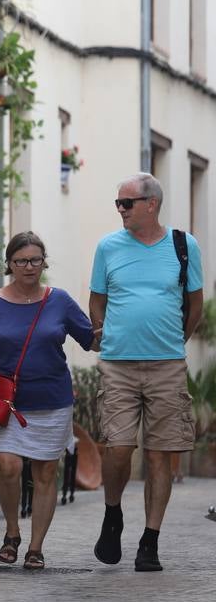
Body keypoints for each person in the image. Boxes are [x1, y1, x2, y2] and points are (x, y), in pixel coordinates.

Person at [0, 231, 98, 570]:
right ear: (9, 265)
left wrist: (117, 327)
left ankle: (35, 547)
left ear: (43, 262)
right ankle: (11, 531)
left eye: (35, 260)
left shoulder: (59, 301)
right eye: (21, 261)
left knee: (46, 471)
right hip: (5, 404)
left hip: (52, 401)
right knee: (8, 466)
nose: (29, 266)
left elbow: (91, 341)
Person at [90, 173, 203, 572]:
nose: (120, 210)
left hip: (167, 367)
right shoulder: (108, 247)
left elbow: (195, 305)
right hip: (118, 365)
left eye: (126, 203)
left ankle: (150, 541)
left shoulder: (183, 246)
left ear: (151, 204)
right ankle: (113, 513)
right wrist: (110, 338)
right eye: (118, 203)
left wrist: (172, 342)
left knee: (160, 456)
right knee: (117, 447)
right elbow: (97, 302)